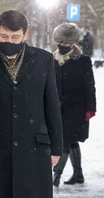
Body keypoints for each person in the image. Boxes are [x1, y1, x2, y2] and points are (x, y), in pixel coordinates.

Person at [0, 10, 63, 198]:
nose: (9, 41)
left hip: (35, 149)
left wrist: (57, 146)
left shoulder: (44, 60)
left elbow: (52, 105)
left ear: (26, 34)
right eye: (4, 36)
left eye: (15, 37)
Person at [52, 23, 96, 187]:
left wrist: (91, 107)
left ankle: (56, 176)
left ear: (72, 43)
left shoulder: (82, 60)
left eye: (65, 43)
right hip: (57, 108)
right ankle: (78, 174)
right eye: (60, 42)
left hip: (76, 108)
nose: (62, 46)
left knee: (65, 140)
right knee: (70, 141)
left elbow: (89, 85)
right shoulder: (52, 59)